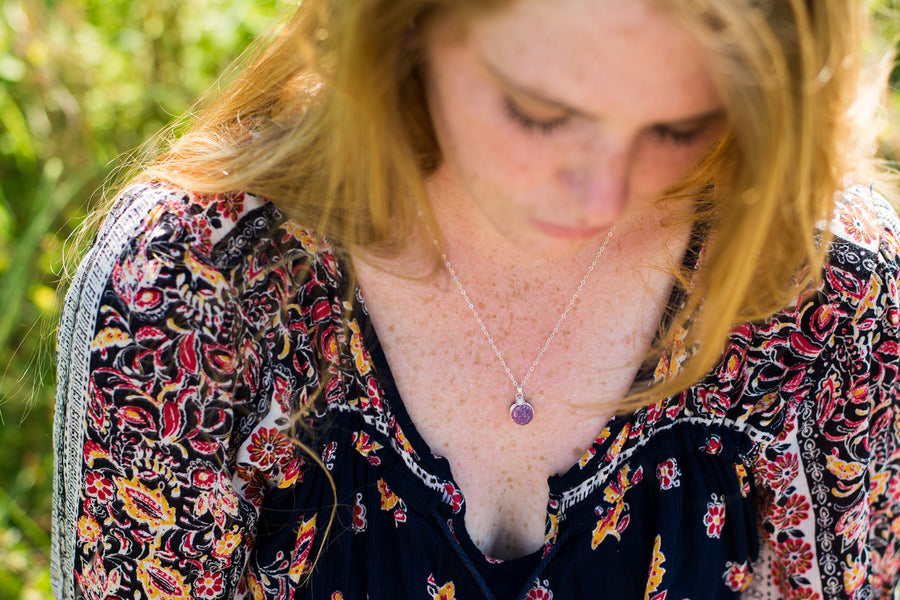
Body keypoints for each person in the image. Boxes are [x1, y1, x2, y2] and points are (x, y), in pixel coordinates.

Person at [51, 0, 900, 598]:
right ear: (409, 22)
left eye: (678, 127)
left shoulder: (822, 287)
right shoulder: (196, 283)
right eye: (537, 113)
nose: (598, 198)